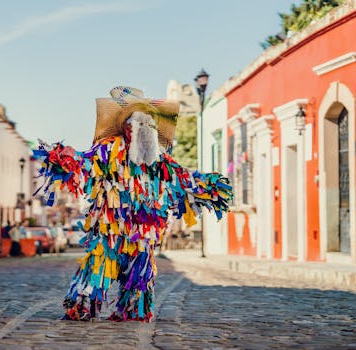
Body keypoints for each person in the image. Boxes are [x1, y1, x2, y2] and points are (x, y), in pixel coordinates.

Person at [32, 86, 233, 322]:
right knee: (98, 265)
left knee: (139, 275)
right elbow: (85, 166)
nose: (143, 129)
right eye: (137, 125)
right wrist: (64, 161)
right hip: (110, 229)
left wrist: (207, 187)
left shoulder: (160, 161)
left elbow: (183, 179)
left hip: (143, 232)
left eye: (148, 125)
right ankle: (81, 306)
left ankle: (132, 310)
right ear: (126, 128)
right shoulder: (108, 151)